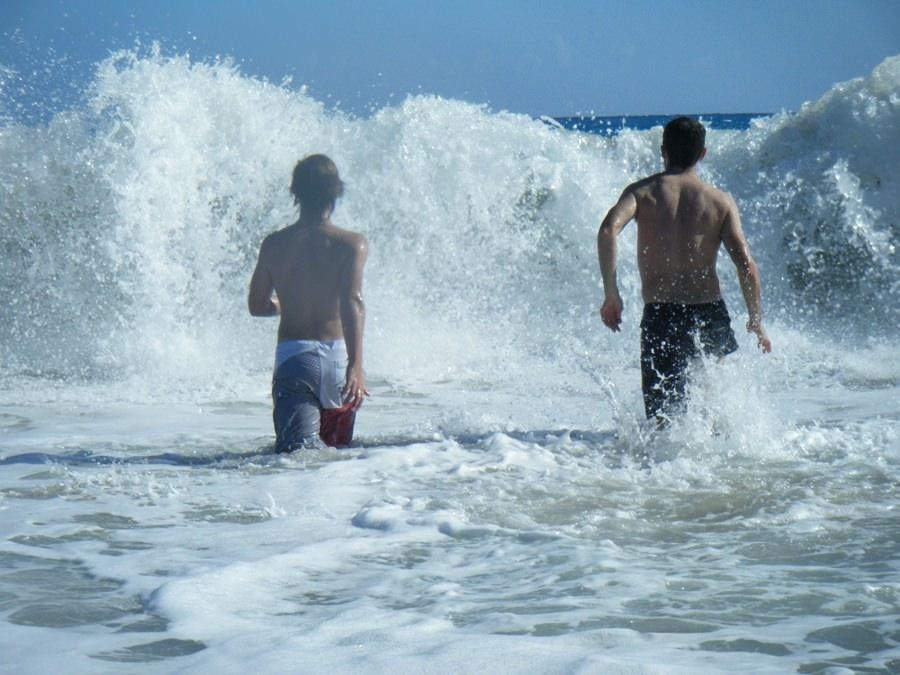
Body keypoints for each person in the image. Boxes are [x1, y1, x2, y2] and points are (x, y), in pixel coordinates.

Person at [597, 116, 771, 425]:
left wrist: (612, 294)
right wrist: (756, 321)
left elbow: (609, 230)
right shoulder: (720, 201)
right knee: (709, 407)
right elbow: (746, 264)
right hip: (709, 312)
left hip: (662, 314)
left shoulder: (642, 193)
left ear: (662, 150)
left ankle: (667, 470)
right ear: (702, 154)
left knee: (662, 419)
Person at [248, 154, 369, 451]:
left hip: (296, 359)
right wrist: (356, 365)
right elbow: (351, 302)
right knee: (337, 456)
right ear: (337, 192)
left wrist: (286, 303)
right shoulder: (352, 244)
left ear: (295, 192)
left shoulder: (275, 244)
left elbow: (257, 306)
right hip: (340, 361)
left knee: (296, 457)